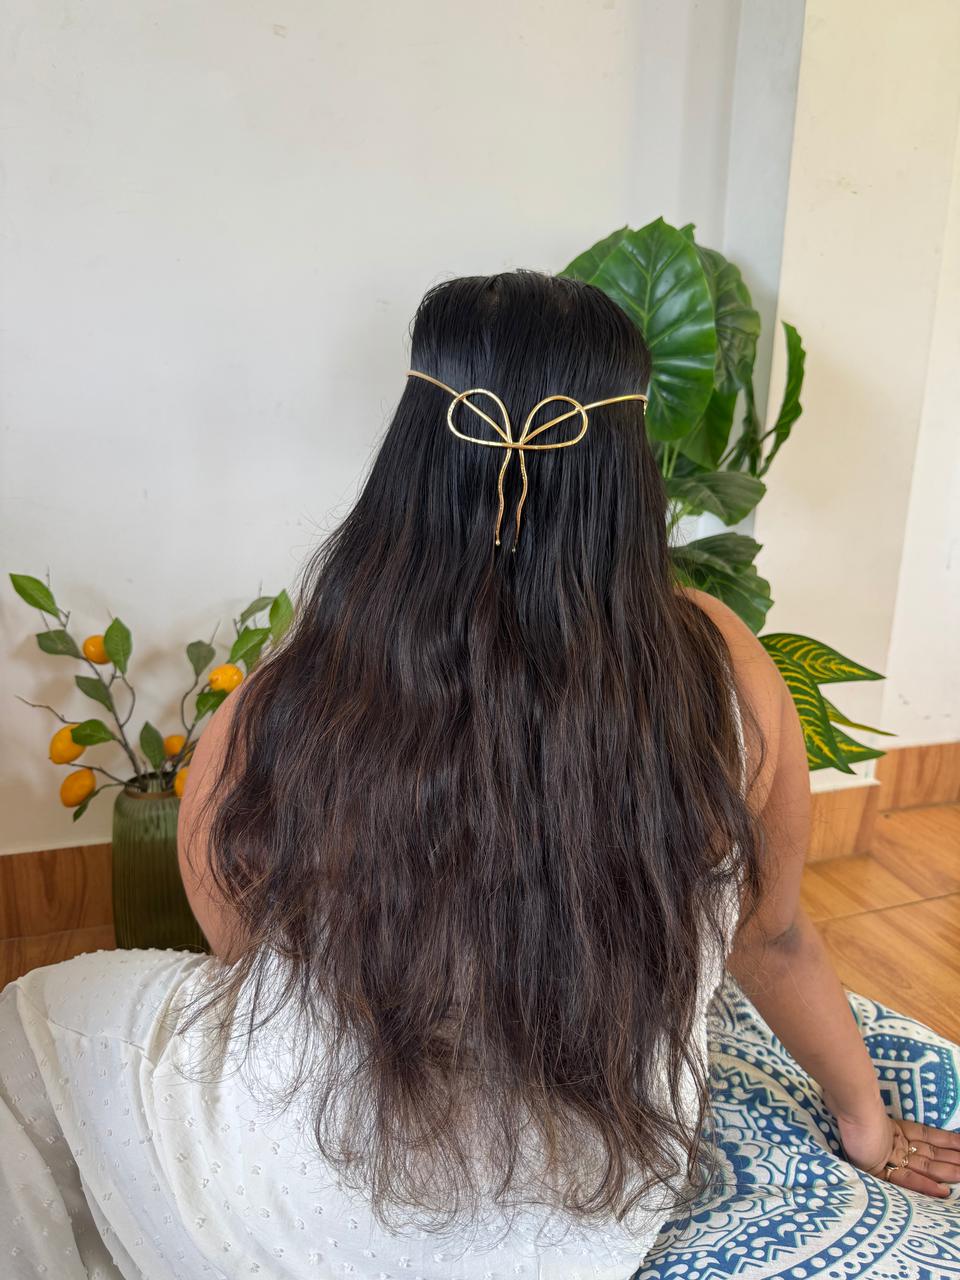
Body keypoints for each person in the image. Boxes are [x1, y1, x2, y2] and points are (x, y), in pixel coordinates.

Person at [1, 271, 958, 1280]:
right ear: (625, 461)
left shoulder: (309, 680)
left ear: (417, 447)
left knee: (32, 1019)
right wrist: (867, 1124)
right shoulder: (725, 668)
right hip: (590, 1214)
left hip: (305, 1185)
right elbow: (774, 932)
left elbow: (234, 929)